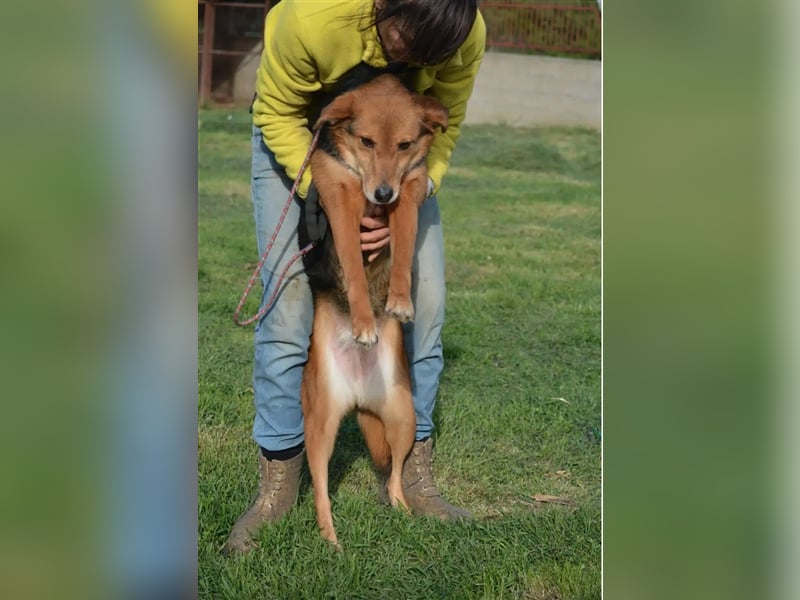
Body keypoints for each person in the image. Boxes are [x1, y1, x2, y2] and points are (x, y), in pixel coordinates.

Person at [225, 0, 486, 554]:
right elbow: (276, 111)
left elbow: (449, 119)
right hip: (300, 126)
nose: (411, 57)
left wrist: (418, 186)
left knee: (428, 299)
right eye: (403, 40)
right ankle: (278, 479)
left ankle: (413, 469)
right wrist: (321, 194)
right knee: (288, 304)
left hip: (398, 145)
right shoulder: (315, 18)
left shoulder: (463, 34)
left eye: (428, 54)